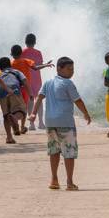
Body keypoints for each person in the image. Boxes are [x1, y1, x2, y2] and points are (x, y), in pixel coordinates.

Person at [29, 57, 91, 191]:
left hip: (50, 123)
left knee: (54, 151)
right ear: (59, 68)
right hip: (65, 123)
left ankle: (54, 180)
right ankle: (69, 182)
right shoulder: (68, 83)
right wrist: (86, 113)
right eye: (69, 69)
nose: (71, 72)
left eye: (72, 69)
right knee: (69, 152)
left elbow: (39, 98)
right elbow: (78, 100)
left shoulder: (48, 83)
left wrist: (33, 114)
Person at [11, 44, 53, 133]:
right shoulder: (31, 58)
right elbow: (36, 68)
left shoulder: (11, 63)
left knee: (22, 106)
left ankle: (28, 124)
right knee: (38, 100)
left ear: (12, 54)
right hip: (30, 85)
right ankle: (40, 123)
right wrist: (45, 65)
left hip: (17, 87)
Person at [0, 57, 28, 144]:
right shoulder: (16, 72)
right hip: (14, 90)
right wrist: (30, 93)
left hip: (1, 92)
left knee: (6, 115)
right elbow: (25, 81)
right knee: (22, 111)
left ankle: (9, 137)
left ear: (0, 67)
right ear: (10, 65)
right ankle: (15, 117)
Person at [22, 33, 49, 130]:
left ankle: (31, 124)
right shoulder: (38, 53)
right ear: (35, 42)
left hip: (27, 80)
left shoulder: (22, 52)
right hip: (37, 80)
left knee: (30, 101)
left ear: (25, 42)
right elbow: (40, 65)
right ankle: (41, 123)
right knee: (39, 100)